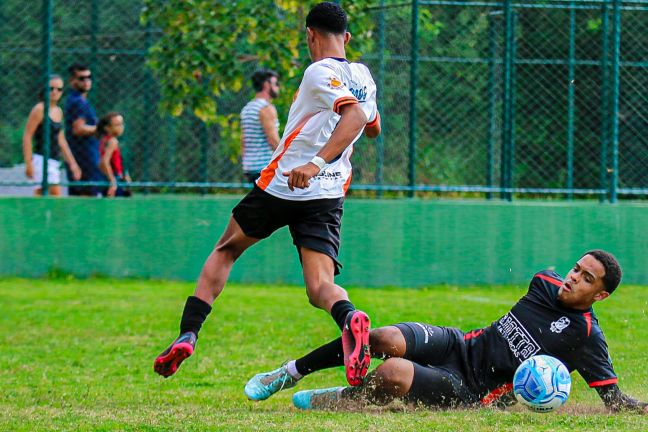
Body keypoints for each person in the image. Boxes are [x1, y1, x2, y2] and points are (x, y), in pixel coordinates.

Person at [153, 2, 382, 390]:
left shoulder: (318, 71)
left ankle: (188, 333)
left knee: (226, 249)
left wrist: (314, 161)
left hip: (284, 182)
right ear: (347, 37)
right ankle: (349, 319)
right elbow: (371, 126)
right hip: (328, 194)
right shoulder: (363, 75)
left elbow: (356, 117)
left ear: (310, 34)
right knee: (319, 287)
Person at [245, 250, 648, 414]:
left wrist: (640, 408)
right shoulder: (543, 281)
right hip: (461, 343)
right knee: (382, 337)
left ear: (602, 294)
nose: (573, 278)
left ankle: (346, 399)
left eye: (586, 278)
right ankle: (289, 372)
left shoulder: (586, 337)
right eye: (576, 269)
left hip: (471, 389)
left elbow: (613, 399)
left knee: (394, 372)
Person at [22, 74, 82, 195]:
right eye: (51, 88)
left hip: (54, 161)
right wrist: (28, 163)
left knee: (42, 200)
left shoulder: (58, 111)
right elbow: (27, 136)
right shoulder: (39, 109)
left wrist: (73, 164)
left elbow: (61, 140)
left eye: (59, 89)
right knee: (55, 199)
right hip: (42, 160)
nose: (55, 92)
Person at [64, 63, 101, 196]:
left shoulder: (81, 101)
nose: (86, 81)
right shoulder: (77, 101)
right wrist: (101, 129)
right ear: (72, 81)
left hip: (88, 154)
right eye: (81, 78)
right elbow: (78, 129)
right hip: (83, 157)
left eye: (89, 77)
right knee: (87, 197)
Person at [240, 69, 281, 184]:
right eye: (276, 84)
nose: (278, 87)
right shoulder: (266, 108)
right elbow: (272, 140)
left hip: (250, 167)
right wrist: (287, 160)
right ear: (267, 84)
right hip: (265, 168)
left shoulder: (247, 108)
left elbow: (243, 140)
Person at [97, 112, 131, 197]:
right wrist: (112, 181)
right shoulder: (112, 141)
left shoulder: (105, 140)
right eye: (117, 125)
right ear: (107, 128)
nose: (121, 127)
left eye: (122, 124)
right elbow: (104, 161)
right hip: (114, 178)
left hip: (111, 177)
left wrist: (125, 174)